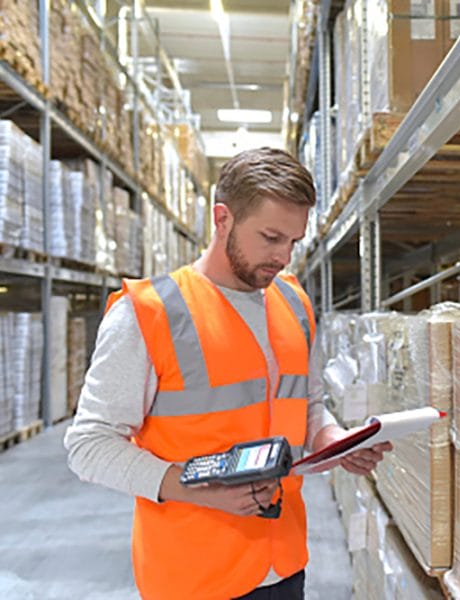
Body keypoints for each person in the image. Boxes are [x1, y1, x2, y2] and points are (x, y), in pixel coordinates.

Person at [64, 147, 392, 600]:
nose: (284, 257)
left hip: (283, 563)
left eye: (294, 241)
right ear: (223, 219)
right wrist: (195, 490)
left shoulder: (294, 303)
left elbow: (308, 405)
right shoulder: (150, 314)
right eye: (271, 237)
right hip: (193, 576)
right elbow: (88, 445)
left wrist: (332, 440)